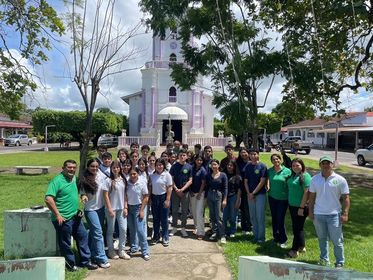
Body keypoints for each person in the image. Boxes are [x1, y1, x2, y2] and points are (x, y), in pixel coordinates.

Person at [45, 160, 98, 271]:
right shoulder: (57, 181)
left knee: (82, 236)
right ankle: (70, 264)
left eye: (74, 167)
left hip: (75, 216)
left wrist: (82, 195)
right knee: (66, 242)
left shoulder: (74, 178)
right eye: (69, 167)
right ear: (63, 168)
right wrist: (58, 215)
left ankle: (85, 261)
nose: (72, 170)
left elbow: (79, 187)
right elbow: (48, 199)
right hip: (63, 218)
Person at [308, 156, 350, 268]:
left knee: (337, 241)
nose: (326, 165)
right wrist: (310, 211)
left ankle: (339, 262)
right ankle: (324, 259)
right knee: (322, 238)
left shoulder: (340, 180)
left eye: (328, 163)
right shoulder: (314, 179)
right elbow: (311, 197)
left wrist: (345, 213)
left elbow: (346, 198)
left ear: (332, 164)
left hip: (334, 215)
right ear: (320, 165)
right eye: (323, 163)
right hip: (318, 214)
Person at [79, 159, 110, 268]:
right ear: (88, 167)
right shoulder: (84, 179)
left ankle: (92, 254)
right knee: (98, 232)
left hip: (100, 208)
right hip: (90, 210)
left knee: (93, 233)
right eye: (92, 166)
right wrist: (83, 196)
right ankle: (101, 258)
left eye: (97, 166)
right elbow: (82, 193)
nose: (95, 168)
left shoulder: (101, 175)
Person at [103, 160, 131, 260]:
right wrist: (110, 208)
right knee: (111, 230)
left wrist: (125, 207)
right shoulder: (108, 180)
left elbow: (125, 194)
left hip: (121, 208)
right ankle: (110, 250)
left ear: (120, 168)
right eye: (114, 167)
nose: (116, 169)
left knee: (123, 229)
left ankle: (121, 250)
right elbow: (105, 195)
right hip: (111, 209)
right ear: (111, 169)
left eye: (117, 167)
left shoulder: (123, 179)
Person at [286, 158, 311, 258]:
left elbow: (307, 193)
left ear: (302, 165)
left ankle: (294, 250)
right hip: (292, 205)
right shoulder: (293, 176)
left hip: (301, 207)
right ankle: (302, 246)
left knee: (297, 229)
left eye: (298, 165)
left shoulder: (306, 176)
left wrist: (301, 207)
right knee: (298, 228)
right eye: (293, 166)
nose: (295, 167)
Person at [267, 154, 292, 248]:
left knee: (280, 219)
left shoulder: (287, 171)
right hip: (272, 197)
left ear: (281, 160)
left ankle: (283, 239)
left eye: (277, 159)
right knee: (274, 218)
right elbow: (267, 179)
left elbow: (291, 183)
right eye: (273, 159)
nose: (275, 161)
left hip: (283, 199)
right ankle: (276, 237)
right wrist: (268, 185)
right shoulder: (270, 170)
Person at [244, 149, 267, 243]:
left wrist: (253, 193)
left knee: (260, 216)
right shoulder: (248, 166)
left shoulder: (262, 166)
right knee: (253, 216)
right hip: (250, 195)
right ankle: (255, 235)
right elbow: (245, 181)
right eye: (251, 154)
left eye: (255, 154)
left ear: (258, 155)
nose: (253, 156)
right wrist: (249, 193)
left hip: (260, 194)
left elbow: (262, 181)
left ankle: (261, 238)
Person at [126, 167, 150, 261]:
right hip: (129, 207)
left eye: (134, 174)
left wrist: (142, 210)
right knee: (132, 229)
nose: (132, 176)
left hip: (138, 207)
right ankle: (134, 247)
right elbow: (125, 196)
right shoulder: (127, 183)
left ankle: (145, 251)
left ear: (137, 174)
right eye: (131, 174)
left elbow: (146, 197)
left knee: (140, 230)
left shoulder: (142, 182)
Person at [169, 149, 193, 237]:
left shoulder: (189, 167)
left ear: (186, 156)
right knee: (174, 210)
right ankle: (174, 227)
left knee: (184, 210)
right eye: (180, 155)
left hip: (185, 192)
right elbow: (171, 178)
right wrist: (176, 189)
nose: (182, 157)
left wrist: (182, 189)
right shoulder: (174, 166)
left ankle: (183, 228)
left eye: (184, 155)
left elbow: (190, 180)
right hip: (175, 192)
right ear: (178, 157)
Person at [149, 159, 173, 246]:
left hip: (163, 197)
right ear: (155, 166)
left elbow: (170, 188)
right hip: (154, 198)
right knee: (156, 219)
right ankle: (156, 236)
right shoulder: (152, 176)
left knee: (164, 219)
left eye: (161, 165)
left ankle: (165, 236)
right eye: (157, 165)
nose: (159, 167)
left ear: (164, 166)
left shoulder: (167, 175)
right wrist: (150, 199)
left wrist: (167, 200)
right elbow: (151, 188)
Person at [206, 159, 228, 244]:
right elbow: (207, 186)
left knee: (219, 215)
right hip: (210, 194)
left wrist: (225, 199)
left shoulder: (223, 175)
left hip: (218, 195)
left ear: (218, 165)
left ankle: (222, 235)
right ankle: (215, 232)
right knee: (212, 215)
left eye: (215, 164)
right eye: (212, 165)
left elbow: (225, 188)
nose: (214, 166)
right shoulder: (209, 175)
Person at [235, 147, 252, 235]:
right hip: (240, 187)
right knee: (242, 208)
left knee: (248, 208)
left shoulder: (251, 163)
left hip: (250, 188)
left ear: (248, 153)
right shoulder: (238, 163)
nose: (243, 154)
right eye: (241, 153)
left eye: (245, 152)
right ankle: (244, 227)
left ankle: (249, 226)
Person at [190, 154, 207, 240]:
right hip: (192, 193)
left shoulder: (203, 170)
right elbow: (189, 180)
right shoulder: (191, 168)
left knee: (199, 212)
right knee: (194, 212)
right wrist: (190, 191)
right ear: (195, 160)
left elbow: (203, 183)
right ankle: (197, 228)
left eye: (201, 160)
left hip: (200, 193)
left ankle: (201, 232)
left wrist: (200, 193)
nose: (199, 162)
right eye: (198, 160)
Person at [223, 160, 241, 238]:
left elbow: (239, 189)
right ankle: (225, 231)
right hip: (224, 197)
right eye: (228, 165)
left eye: (231, 165)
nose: (229, 167)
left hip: (234, 196)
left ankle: (232, 231)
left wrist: (238, 200)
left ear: (234, 167)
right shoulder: (223, 175)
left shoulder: (237, 177)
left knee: (233, 215)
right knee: (225, 215)